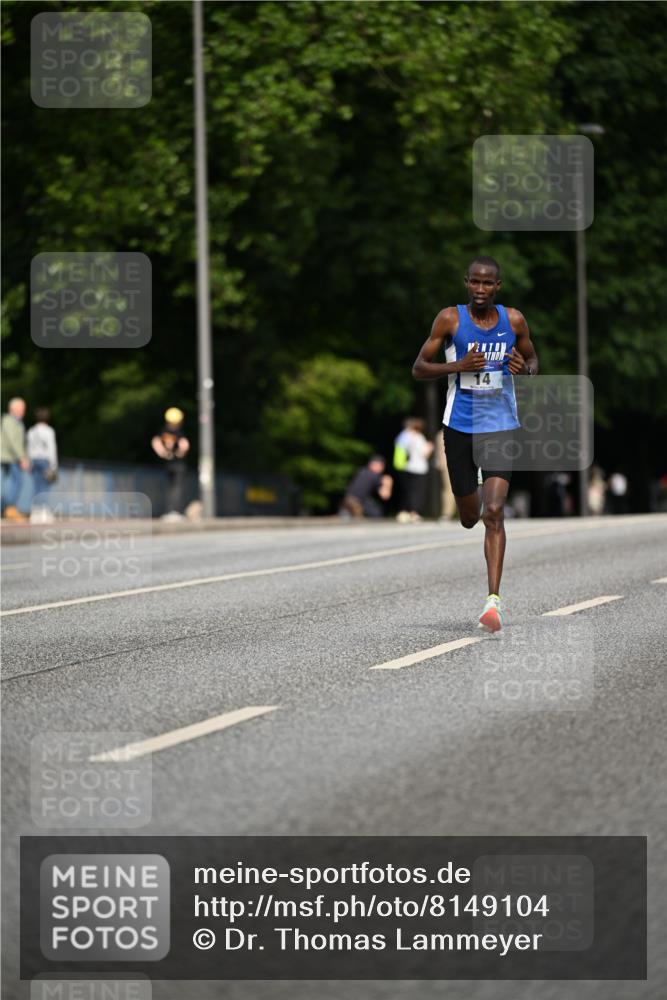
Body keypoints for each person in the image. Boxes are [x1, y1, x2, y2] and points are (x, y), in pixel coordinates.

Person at [412, 256, 539, 632]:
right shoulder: (450, 319)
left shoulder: (514, 320)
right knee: (470, 517)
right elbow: (418, 367)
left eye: (488, 284)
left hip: (500, 425)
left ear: (497, 287)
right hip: (460, 427)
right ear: (466, 283)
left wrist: (525, 369)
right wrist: (457, 367)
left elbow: (532, 361)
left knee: (494, 512)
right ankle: (476, 493)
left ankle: (493, 602)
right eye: (474, 283)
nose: (480, 290)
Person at [151, 407, 190, 518]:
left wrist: (163, 453)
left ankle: (168, 511)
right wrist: (180, 453)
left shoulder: (163, 431)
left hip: (167, 464)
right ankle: (175, 511)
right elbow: (185, 445)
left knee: (168, 487)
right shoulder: (179, 432)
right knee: (177, 488)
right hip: (178, 464)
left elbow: (155, 442)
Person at [394, 418, 434, 522]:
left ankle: (404, 511)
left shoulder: (406, 436)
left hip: (409, 466)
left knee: (409, 491)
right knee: (418, 492)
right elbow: (424, 454)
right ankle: (414, 513)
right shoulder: (420, 438)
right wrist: (430, 447)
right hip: (419, 468)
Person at [27, 407, 59, 522]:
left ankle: (35, 513)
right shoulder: (49, 431)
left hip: (34, 460)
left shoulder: (31, 431)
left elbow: (29, 448)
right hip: (45, 460)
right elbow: (51, 448)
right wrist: (54, 464)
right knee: (45, 487)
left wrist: (30, 462)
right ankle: (44, 512)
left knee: (36, 487)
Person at [0, 397, 30, 520]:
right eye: (21, 408)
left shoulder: (18, 421)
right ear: (13, 408)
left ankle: (7, 508)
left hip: (11, 457)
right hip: (7, 457)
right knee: (17, 481)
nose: (23, 410)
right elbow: (13, 441)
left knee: (13, 482)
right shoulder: (9, 421)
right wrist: (22, 457)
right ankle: (9, 508)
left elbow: (21, 441)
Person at [433, 427, 457, 521]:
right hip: (447, 465)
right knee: (448, 490)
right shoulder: (442, 434)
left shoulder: (440, 433)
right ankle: (447, 513)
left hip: (450, 464)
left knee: (448, 489)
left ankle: (448, 513)